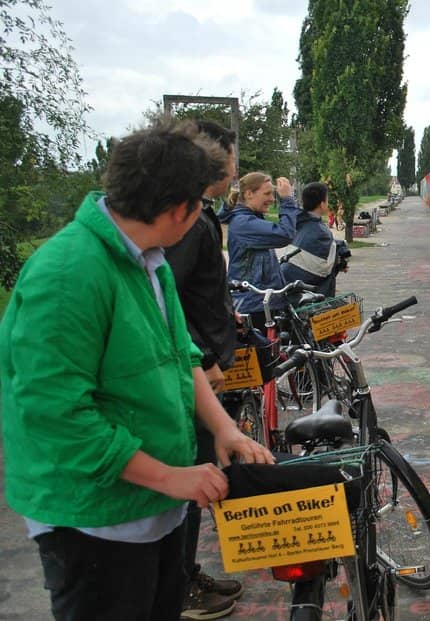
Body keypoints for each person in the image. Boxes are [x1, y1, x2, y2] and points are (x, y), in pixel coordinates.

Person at [0, 119, 275, 621]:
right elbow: (56, 417)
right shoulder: (68, 275)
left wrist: (222, 428)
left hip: (154, 508)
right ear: (180, 210)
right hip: (96, 523)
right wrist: (170, 477)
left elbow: (179, 353)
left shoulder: (149, 259)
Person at [163, 120, 245, 619]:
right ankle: (180, 584)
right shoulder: (189, 223)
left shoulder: (199, 219)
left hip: (200, 367)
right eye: (232, 157)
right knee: (193, 476)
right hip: (195, 372)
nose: (234, 169)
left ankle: (184, 574)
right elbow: (167, 301)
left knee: (200, 469)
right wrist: (206, 358)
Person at [220, 171, 299, 323]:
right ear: (249, 194)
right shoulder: (243, 223)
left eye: (273, 194)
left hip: (264, 303)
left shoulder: (253, 218)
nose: (271, 199)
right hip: (253, 305)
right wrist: (287, 200)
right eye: (267, 194)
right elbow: (285, 234)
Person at [280, 181, 350, 298]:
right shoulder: (321, 231)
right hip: (302, 289)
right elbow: (325, 267)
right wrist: (340, 262)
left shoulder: (299, 221)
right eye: (327, 200)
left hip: (285, 278)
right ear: (322, 204)